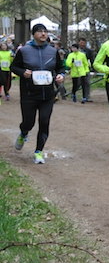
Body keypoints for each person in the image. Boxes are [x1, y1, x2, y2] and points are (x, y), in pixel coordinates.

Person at [10, 23, 66, 163]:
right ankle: (24, 133)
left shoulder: (53, 51)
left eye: (45, 31)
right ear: (33, 34)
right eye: (40, 31)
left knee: (44, 121)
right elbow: (14, 67)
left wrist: (61, 75)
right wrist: (23, 72)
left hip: (47, 95)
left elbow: (60, 68)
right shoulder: (24, 51)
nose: (43, 34)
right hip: (29, 94)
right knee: (28, 122)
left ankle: (39, 152)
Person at [77, 38, 95, 103]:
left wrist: (93, 69)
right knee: (78, 83)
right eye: (81, 43)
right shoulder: (75, 50)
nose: (82, 44)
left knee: (87, 83)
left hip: (86, 69)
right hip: (77, 69)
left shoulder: (89, 51)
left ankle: (86, 97)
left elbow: (92, 60)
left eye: (84, 43)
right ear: (79, 43)